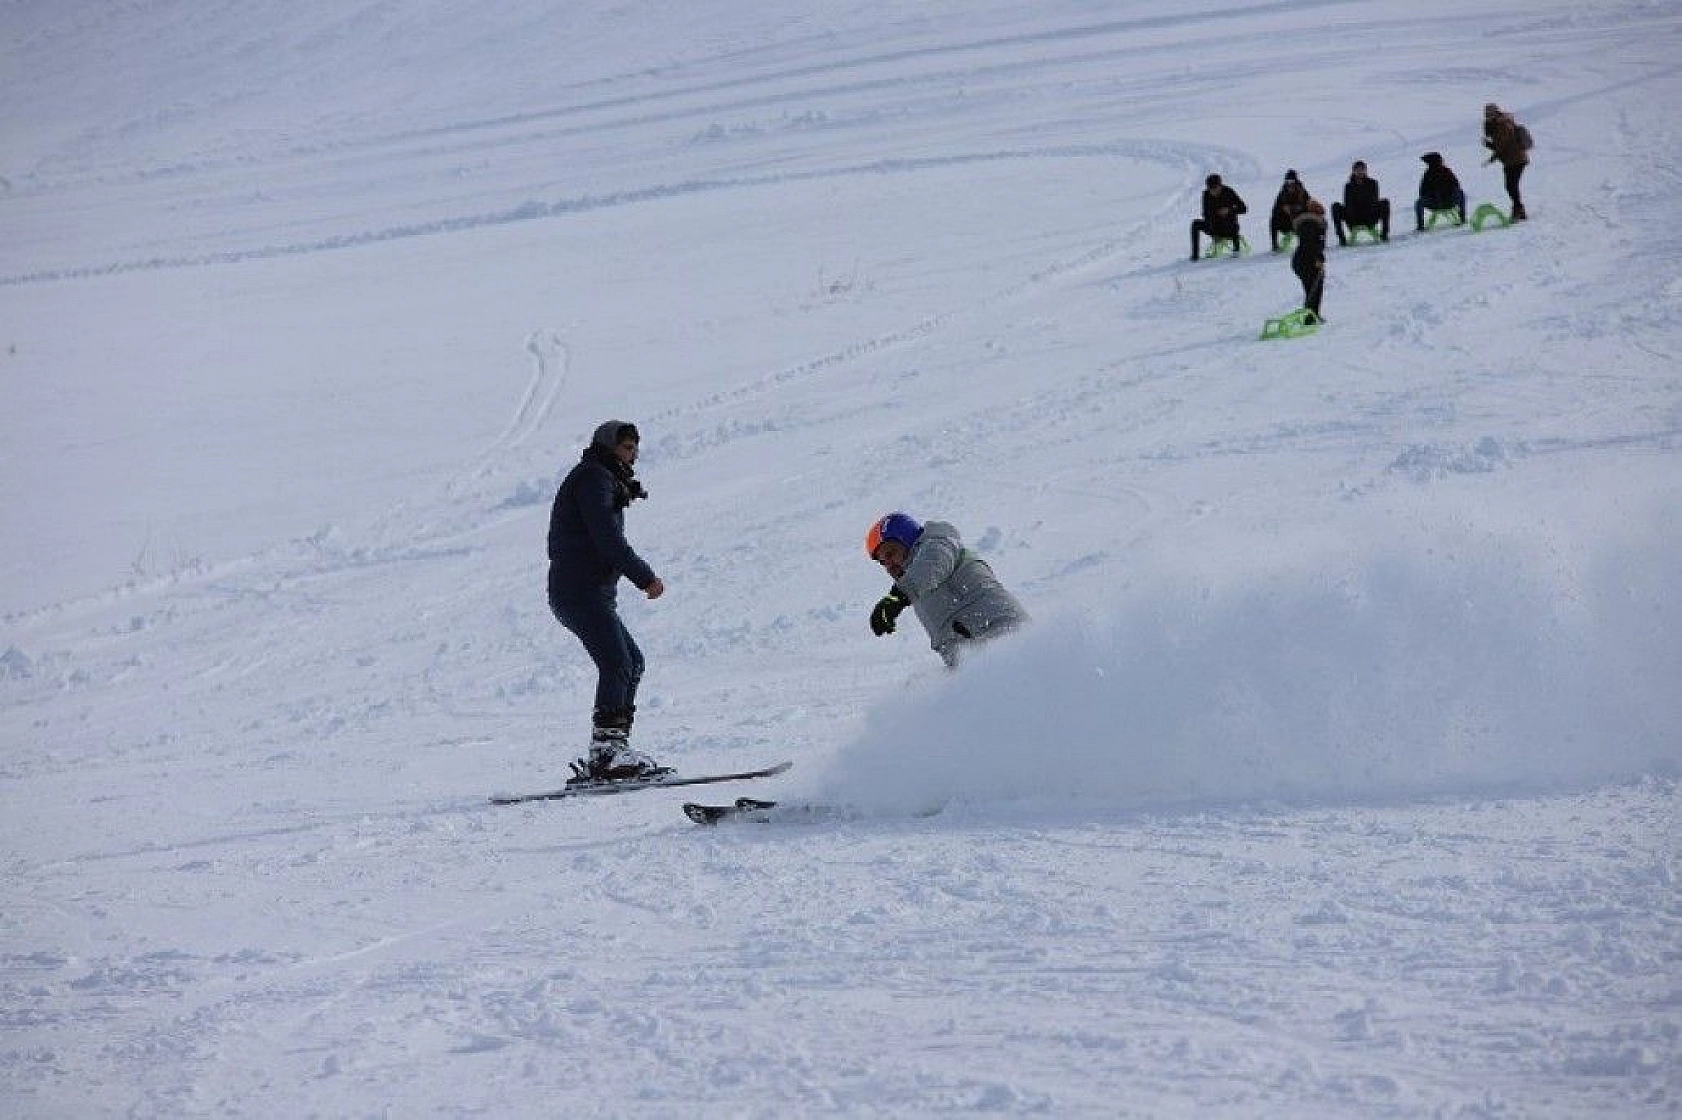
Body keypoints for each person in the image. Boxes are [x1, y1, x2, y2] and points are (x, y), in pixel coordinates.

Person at [547, 420, 669, 783]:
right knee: (617, 662)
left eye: (634, 449)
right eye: (625, 447)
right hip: (578, 591)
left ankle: (614, 750)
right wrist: (644, 576)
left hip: (591, 593)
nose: (632, 455)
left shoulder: (604, 480)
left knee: (631, 661)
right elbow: (607, 538)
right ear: (608, 446)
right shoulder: (593, 478)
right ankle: (606, 755)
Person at [865, 512, 1028, 668]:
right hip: (981, 659)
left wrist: (897, 598)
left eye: (891, 553)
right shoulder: (915, 587)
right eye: (882, 562)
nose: (888, 564)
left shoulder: (938, 544)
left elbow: (932, 565)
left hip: (1004, 634)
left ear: (908, 540)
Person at [1483, 103, 1531, 220]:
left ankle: (1518, 210)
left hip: (1516, 159)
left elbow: (1502, 145)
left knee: (1511, 186)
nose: (1487, 116)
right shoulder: (1499, 123)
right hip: (1512, 159)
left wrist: (1491, 152)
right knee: (1511, 186)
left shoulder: (1502, 124)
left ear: (1495, 113)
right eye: (1486, 114)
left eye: (1489, 114)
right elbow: (1502, 145)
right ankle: (1519, 210)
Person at [1189, 174, 1248, 261]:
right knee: (1195, 224)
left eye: (1215, 189)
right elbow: (1205, 213)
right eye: (1211, 189)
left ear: (1220, 186)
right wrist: (1212, 215)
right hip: (1213, 227)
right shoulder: (1206, 194)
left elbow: (1243, 209)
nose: (1213, 192)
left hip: (1229, 228)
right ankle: (1195, 255)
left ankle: (1236, 250)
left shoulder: (1229, 192)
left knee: (1230, 220)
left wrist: (1229, 210)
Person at [1331, 160, 1391, 244]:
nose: (1360, 172)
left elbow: (1373, 201)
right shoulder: (1349, 186)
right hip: (1353, 218)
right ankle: (1342, 238)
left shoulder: (1372, 183)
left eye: (1362, 170)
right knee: (1335, 206)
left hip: (1369, 216)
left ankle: (1384, 234)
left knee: (1385, 202)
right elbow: (1348, 204)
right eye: (1357, 170)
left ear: (1365, 171)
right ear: (1353, 171)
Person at [1291, 199, 1329, 323]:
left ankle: (1312, 315)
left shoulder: (1309, 223)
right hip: (1306, 260)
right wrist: (1318, 258)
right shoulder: (1309, 224)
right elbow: (1309, 244)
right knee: (1313, 289)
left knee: (1313, 289)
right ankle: (1310, 317)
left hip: (1303, 259)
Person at [1414, 151, 1467, 231]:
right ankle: (1420, 226)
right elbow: (1422, 192)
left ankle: (1462, 218)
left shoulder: (1447, 172)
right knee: (1419, 202)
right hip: (1434, 203)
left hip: (1449, 201)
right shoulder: (1427, 174)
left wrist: (1447, 193)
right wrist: (1433, 195)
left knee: (1460, 193)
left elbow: (1456, 186)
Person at [1269, 170, 1312, 252]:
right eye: (1288, 181)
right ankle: (1275, 245)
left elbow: (1309, 206)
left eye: (1292, 181)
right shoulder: (1282, 194)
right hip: (1286, 222)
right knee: (1273, 220)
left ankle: (1305, 243)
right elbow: (1275, 210)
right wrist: (1282, 209)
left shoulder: (1302, 192)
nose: (1290, 184)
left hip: (1300, 221)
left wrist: (1299, 208)